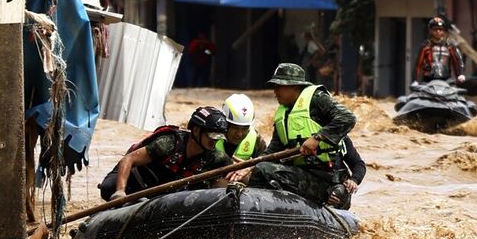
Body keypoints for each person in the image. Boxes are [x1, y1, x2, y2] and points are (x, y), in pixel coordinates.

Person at [233, 63, 357, 207]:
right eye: (274, 86)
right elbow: (274, 149)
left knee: (264, 169)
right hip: (302, 174)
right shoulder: (282, 114)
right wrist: (250, 165)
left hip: (328, 180)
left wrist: (317, 138)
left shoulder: (317, 99)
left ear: (296, 87)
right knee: (262, 168)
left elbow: (348, 118)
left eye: (280, 86)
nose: (275, 91)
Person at [98, 106, 233, 201]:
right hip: (136, 181)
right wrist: (120, 191)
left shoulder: (216, 157)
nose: (214, 141)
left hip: (164, 193)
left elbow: (235, 172)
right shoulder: (168, 144)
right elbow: (128, 160)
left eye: (218, 137)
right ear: (197, 131)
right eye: (211, 136)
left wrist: (245, 171)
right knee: (108, 188)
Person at [415, 16, 466, 83]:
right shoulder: (425, 46)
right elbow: (419, 64)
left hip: (447, 81)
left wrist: (460, 75)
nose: (438, 31)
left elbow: (457, 60)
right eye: (435, 29)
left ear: (443, 31)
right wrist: (416, 80)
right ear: (430, 30)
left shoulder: (450, 45)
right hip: (428, 82)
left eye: (440, 29)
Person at [217, 93, 267, 161]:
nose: (239, 134)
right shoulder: (210, 137)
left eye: (245, 128)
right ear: (225, 124)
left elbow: (266, 161)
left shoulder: (255, 138)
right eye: (235, 128)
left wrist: (251, 168)